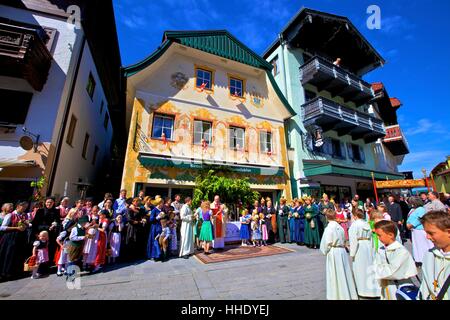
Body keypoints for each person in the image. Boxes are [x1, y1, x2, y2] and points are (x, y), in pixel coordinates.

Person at [373, 220, 418, 300]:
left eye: (379, 235)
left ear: (390, 235)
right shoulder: (382, 249)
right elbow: (376, 264)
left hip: (399, 286)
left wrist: (377, 270)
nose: (378, 238)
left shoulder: (400, 251)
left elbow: (393, 271)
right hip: (387, 286)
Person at [320, 209, 358, 300]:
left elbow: (327, 243)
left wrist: (324, 251)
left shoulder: (329, 228)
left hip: (334, 251)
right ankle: (348, 293)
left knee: (335, 274)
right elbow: (344, 238)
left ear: (326, 217)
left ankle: (337, 295)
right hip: (342, 251)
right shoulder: (340, 227)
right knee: (344, 272)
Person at [418, 211, 450, 300]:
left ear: (448, 232)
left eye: (431, 233)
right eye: (426, 233)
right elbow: (424, 287)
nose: (427, 237)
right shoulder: (429, 255)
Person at [349, 209, 380, 298]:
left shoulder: (354, 225)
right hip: (368, 245)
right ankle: (372, 289)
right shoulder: (366, 223)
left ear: (354, 216)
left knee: (360, 268)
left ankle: (362, 289)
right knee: (369, 267)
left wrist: (352, 253)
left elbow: (353, 239)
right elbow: (371, 236)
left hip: (359, 247)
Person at [0, 201, 29, 281]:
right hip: (10, 238)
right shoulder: (10, 215)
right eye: (23, 206)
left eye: (26, 207)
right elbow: (2, 227)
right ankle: (5, 273)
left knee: (17, 255)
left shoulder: (24, 215)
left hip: (20, 238)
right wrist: (16, 228)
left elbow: (29, 225)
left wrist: (26, 225)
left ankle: (14, 273)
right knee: (8, 255)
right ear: (18, 206)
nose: (24, 208)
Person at [406, 197, 434, 266]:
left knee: (423, 245)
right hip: (415, 231)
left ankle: (425, 259)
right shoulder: (412, 209)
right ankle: (419, 258)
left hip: (420, 230)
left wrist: (411, 225)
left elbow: (420, 219)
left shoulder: (421, 209)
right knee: (417, 245)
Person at [32, 197, 60, 263]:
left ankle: (47, 266)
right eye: (48, 202)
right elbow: (35, 223)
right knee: (39, 250)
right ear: (45, 203)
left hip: (51, 234)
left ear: (53, 203)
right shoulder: (40, 211)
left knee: (49, 250)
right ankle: (37, 267)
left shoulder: (56, 211)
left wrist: (55, 224)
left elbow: (58, 221)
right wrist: (37, 232)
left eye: (51, 202)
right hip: (41, 233)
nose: (49, 204)